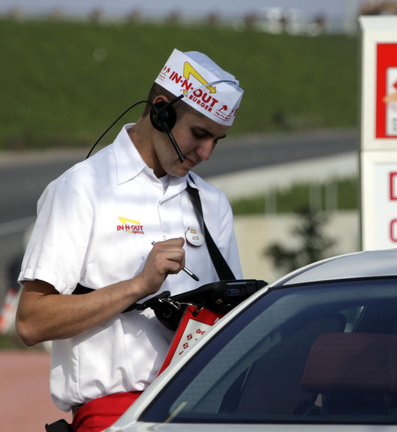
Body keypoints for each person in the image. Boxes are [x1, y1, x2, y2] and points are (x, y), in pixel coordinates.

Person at [15, 49, 244, 432]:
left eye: (217, 140)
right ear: (160, 111)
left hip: (199, 414)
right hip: (113, 418)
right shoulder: (81, 188)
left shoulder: (212, 204)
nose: (206, 152)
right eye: (200, 134)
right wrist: (138, 286)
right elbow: (31, 322)